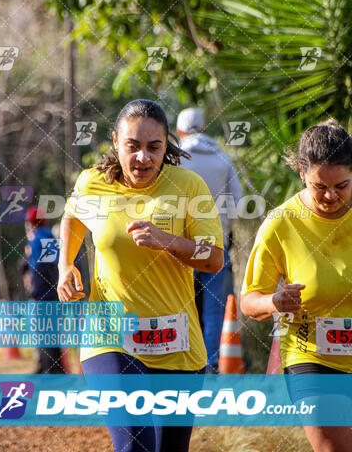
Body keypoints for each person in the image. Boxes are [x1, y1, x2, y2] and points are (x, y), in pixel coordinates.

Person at [58, 99, 224, 452]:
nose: (143, 158)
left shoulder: (188, 186)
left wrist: (168, 241)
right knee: (136, 445)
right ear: (115, 141)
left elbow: (213, 259)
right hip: (109, 335)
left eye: (154, 147)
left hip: (176, 342)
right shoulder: (93, 183)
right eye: (132, 146)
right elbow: (71, 217)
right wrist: (65, 264)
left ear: (167, 145)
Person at [240, 119, 352, 452]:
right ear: (302, 173)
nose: (330, 196)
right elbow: (249, 301)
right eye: (320, 186)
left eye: (342, 186)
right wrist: (274, 302)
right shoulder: (281, 224)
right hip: (311, 356)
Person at [177, 107, 242, 372]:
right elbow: (237, 204)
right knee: (214, 306)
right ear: (204, 129)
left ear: (179, 131)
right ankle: (211, 362)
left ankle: (181, 359)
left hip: (180, 244)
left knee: (180, 300)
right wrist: (222, 224)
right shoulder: (223, 159)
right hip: (216, 243)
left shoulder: (177, 160)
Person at [24, 206, 64, 374]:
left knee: (42, 332)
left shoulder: (36, 240)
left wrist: (35, 290)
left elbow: (39, 268)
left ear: (31, 223)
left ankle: (48, 368)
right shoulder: (50, 237)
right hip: (53, 292)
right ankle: (52, 368)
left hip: (42, 293)